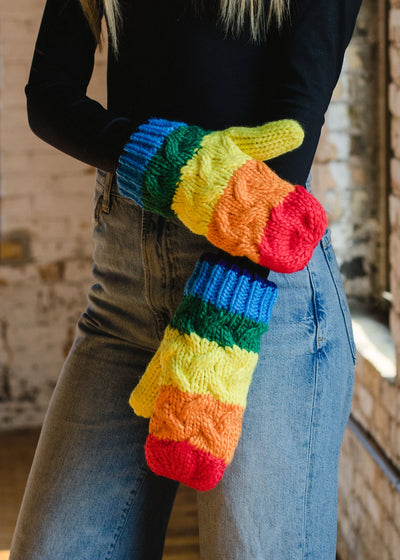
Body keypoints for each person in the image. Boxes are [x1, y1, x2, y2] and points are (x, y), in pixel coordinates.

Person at [10, 0, 361, 558]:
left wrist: (222, 311)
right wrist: (167, 160)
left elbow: (294, 123)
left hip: (257, 288)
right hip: (123, 288)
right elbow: (48, 96)